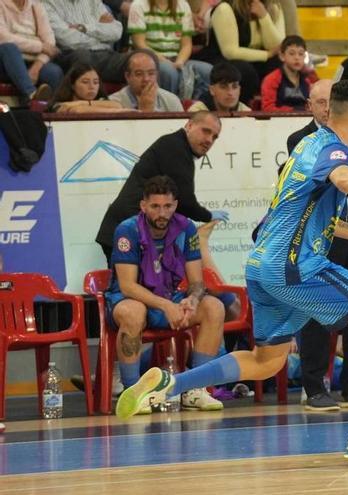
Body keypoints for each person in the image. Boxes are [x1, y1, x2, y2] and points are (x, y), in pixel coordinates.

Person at [116, 80, 348, 467]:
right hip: (295, 267)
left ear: (330, 110)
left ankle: (169, 384)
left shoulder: (306, 146)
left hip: (263, 266)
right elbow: (345, 178)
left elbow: (307, 215)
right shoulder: (336, 150)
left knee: (267, 361)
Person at [284, 79, 348, 411]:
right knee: (316, 311)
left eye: (331, 101)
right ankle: (314, 387)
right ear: (309, 106)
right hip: (323, 237)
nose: (328, 108)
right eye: (321, 102)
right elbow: (336, 176)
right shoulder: (302, 140)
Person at [106, 175, 225, 411]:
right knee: (133, 312)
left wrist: (192, 300)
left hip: (169, 296)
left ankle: (195, 389)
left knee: (214, 307)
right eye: (155, 206)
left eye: (167, 206)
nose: (162, 213)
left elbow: (196, 282)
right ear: (143, 206)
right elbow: (128, 286)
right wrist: (166, 306)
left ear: (176, 205)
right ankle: (133, 393)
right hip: (129, 299)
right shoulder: (127, 230)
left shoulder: (186, 228)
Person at [96, 111, 228, 264]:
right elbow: (185, 202)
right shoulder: (175, 147)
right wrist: (207, 216)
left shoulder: (176, 145)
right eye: (206, 131)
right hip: (127, 231)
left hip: (133, 230)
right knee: (134, 280)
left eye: (214, 137)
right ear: (189, 125)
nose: (209, 140)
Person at [192, 0, 284, 103]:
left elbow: (277, 47)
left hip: (252, 58)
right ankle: (239, 107)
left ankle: (275, 106)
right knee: (245, 71)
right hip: (220, 57)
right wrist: (267, 54)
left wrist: (264, 17)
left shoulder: (274, 8)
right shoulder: (225, 8)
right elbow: (230, 52)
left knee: (279, 63)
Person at [127, 0, 213, 100]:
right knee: (169, 72)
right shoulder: (138, 5)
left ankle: (194, 105)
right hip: (150, 59)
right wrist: (162, 59)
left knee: (207, 70)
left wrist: (180, 61)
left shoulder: (183, 5)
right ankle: (170, 106)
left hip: (177, 59)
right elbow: (139, 43)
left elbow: (186, 45)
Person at [42, 0, 129, 84]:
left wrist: (84, 28)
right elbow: (68, 40)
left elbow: (116, 31)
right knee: (83, 56)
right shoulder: (48, 2)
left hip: (103, 54)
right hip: (71, 54)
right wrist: (101, 34)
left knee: (134, 60)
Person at [0, 0, 64, 101]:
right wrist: (40, 46)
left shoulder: (36, 5)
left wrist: (36, 67)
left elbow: (50, 43)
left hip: (33, 61)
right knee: (9, 48)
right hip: (6, 61)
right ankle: (31, 94)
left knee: (54, 72)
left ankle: (50, 107)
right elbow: (4, 38)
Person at [108, 49, 184, 111]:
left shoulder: (171, 100)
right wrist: (144, 110)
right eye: (139, 74)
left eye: (151, 73)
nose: (146, 79)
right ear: (127, 76)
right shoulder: (113, 103)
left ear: (157, 75)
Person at [260, 34, 316, 111]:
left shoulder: (308, 79)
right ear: (282, 56)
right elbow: (268, 108)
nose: (297, 58)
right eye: (292, 53)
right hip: (279, 118)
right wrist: (294, 111)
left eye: (301, 54)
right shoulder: (271, 79)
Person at [48, 62, 127, 113]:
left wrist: (83, 103)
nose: (92, 86)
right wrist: (116, 111)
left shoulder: (100, 101)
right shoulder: (60, 105)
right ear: (72, 85)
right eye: (85, 82)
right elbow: (78, 110)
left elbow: (117, 105)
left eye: (96, 82)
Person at [187, 61, 251, 112]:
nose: (230, 93)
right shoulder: (196, 112)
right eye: (223, 87)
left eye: (235, 87)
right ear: (212, 90)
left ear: (239, 90)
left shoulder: (245, 112)